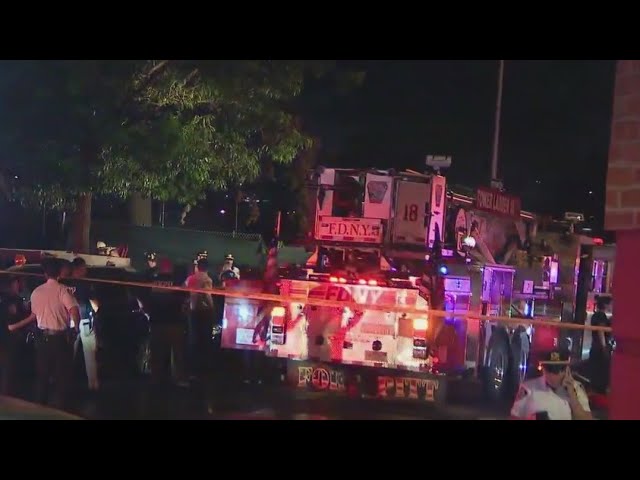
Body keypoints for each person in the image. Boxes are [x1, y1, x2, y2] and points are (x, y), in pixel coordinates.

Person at [18, 258, 80, 409]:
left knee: (42, 377)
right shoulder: (62, 290)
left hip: (42, 339)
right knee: (61, 378)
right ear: (59, 273)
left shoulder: (36, 292)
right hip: (59, 339)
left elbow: (34, 313)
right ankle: (60, 411)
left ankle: (40, 409)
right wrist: (75, 328)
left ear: (45, 274)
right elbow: (74, 311)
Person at [142, 259, 188, 387]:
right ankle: (179, 379)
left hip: (157, 322)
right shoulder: (177, 282)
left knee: (157, 353)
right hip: (174, 322)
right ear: (171, 268)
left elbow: (146, 299)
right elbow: (184, 299)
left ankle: (156, 379)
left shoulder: (153, 282)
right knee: (177, 353)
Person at [510, 349, 593, 420]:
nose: (553, 376)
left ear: (566, 370)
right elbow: (515, 416)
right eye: (549, 370)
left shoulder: (576, 389)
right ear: (543, 370)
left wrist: (572, 394)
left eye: (557, 371)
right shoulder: (528, 388)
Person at [0, 276, 31, 397]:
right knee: (9, 369)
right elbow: (13, 320)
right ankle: (7, 395)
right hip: (10, 338)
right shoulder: (12, 300)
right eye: (20, 283)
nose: (22, 285)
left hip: (6, 338)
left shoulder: (7, 299)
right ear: (14, 284)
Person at [184, 258, 215, 379]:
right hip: (204, 312)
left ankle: (192, 368)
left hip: (192, 311)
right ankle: (204, 369)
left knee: (193, 339)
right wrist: (212, 308)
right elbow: (207, 295)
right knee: (205, 339)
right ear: (207, 267)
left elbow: (184, 288)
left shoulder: (191, 278)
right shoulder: (207, 279)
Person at [589, 299, 612, 394]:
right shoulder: (601, 316)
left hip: (595, 346)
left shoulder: (596, 315)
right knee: (601, 370)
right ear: (605, 305)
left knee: (596, 370)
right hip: (599, 348)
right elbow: (601, 330)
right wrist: (604, 347)